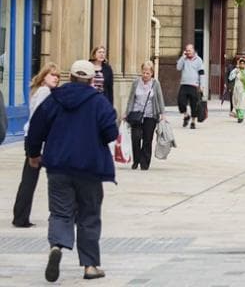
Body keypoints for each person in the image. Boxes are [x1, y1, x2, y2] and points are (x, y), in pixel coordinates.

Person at [25, 59, 119, 282]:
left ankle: (57, 246)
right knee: (89, 215)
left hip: (58, 166)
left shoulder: (55, 98)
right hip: (89, 168)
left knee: (60, 212)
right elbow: (110, 133)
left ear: (71, 77)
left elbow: (36, 128)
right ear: (89, 80)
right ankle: (90, 266)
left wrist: (33, 154)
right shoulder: (98, 102)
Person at [13, 63, 59, 228]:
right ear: (44, 76)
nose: (56, 78)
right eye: (52, 74)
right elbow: (39, 120)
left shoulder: (39, 91)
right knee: (31, 179)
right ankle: (21, 217)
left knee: (28, 179)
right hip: (37, 139)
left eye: (57, 76)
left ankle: (20, 215)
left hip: (32, 138)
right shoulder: (45, 92)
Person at [123, 61, 165, 171]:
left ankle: (144, 162)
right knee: (135, 138)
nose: (145, 75)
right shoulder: (136, 82)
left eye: (148, 73)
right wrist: (127, 112)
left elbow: (160, 99)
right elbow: (131, 99)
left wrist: (162, 114)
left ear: (151, 73)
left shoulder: (156, 84)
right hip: (136, 114)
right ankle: (136, 160)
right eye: (144, 72)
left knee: (147, 139)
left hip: (150, 115)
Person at [176, 43, 204, 130]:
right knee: (181, 101)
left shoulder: (199, 60)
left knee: (194, 104)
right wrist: (182, 57)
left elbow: (201, 73)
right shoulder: (184, 59)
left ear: (193, 50)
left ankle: (193, 122)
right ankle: (186, 115)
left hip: (194, 85)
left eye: (189, 50)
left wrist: (202, 85)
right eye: (187, 50)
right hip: (184, 84)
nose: (188, 52)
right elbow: (178, 68)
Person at [226, 57, 245, 123]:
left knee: (241, 103)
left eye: (243, 64)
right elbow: (230, 78)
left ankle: (240, 117)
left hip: (244, 90)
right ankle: (238, 115)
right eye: (240, 63)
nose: (242, 65)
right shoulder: (236, 70)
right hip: (236, 89)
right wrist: (235, 72)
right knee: (236, 102)